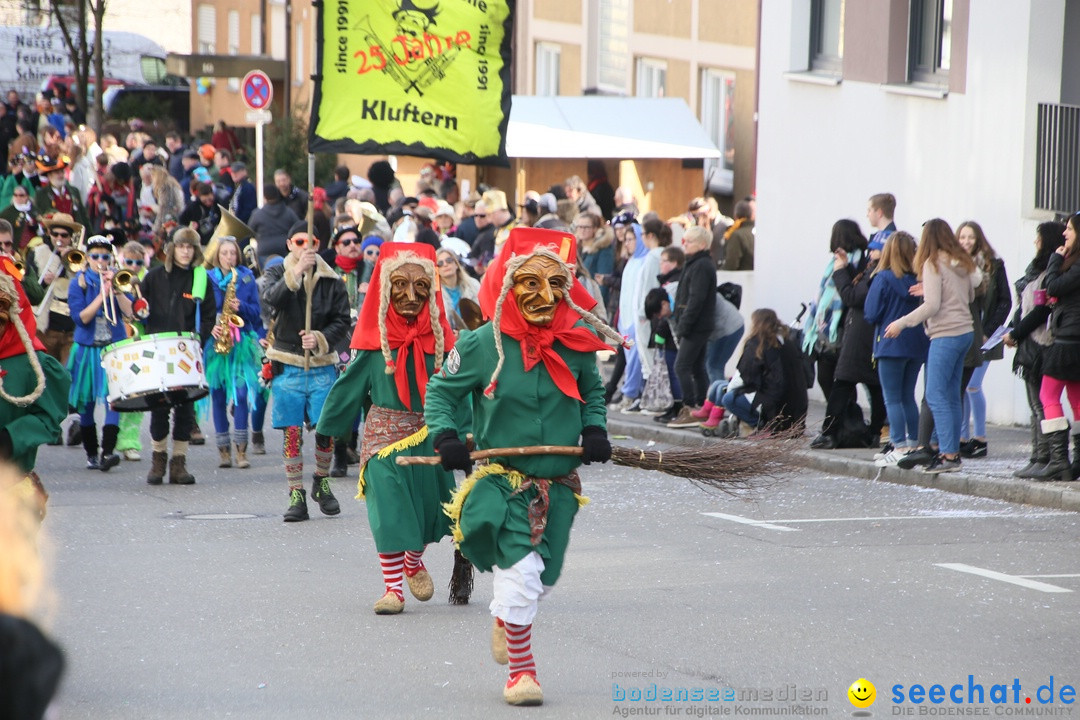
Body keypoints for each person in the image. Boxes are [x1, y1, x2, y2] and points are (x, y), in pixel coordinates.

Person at [424, 227, 625, 706]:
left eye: (556, 285)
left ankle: (506, 615)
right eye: (531, 284)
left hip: (559, 483)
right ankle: (521, 672)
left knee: (543, 576)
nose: (545, 296)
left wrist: (594, 429)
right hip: (503, 481)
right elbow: (441, 391)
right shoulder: (480, 345)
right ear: (511, 285)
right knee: (520, 567)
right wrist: (446, 436)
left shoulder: (575, 342)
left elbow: (592, 392)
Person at [316, 242, 461, 612]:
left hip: (431, 434)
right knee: (390, 512)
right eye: (400, 286)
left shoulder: (444, 344)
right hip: (383, 438)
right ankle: (393, 589)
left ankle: (413, 561)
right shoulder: (372, 345)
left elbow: (464, 389)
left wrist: (473, 430)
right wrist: (326, 430)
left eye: (420, 287)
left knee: (430, 513)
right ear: (385, 291)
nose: (411, 296)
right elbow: (347, 388)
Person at [261, 222, 350, 521]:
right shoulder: (276, 273)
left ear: (317, 242)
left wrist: (321, 339)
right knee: (292, 431)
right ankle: (296, 493)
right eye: (299, 242)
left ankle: (321, 481)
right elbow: (271, 300)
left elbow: (342, 321)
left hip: (322, 365)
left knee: (326, 427)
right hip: (287, 361)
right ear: (290, 244)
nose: (304, 247)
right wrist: (296, 273)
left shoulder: (333, 280)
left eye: (309, 241)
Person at [885, 219, 980, 474]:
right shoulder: (962, 262)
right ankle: (952, 453)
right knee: (951, 395)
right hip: (965, 333)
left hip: (945, 334)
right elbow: (971, 294)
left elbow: (932, 306)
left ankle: (948, 456)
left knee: (936, 395)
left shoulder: (933, 263)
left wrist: (901, 323)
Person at [139, 227, 217, 484]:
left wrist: (199, 338)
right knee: (159, 407)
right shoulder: (153, 277)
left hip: (186, 351)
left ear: (195, 251)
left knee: (185, 408)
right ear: (173, 248)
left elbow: (208, 316)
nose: (185, 251)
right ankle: (158, 459)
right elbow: (140, 310)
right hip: (157, 349)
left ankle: (179, 463)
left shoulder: (200, 278)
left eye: (190, 247)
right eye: (181, 246)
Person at [810, 220, 885, 449]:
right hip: (863, 334)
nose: (869, 253)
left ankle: (831, 433)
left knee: (842, 383)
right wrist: (846, 268)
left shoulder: (878, 273)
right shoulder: (873, 270)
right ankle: (871, 432)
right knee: (873, 385)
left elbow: (852, 296)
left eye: (874, 250)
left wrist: (841, 271)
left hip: (859, 335)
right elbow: (858, 287)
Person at [1003, 222, 1066, 478]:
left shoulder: (1050, 273)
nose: (1034, 242)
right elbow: (1023, 309)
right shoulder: (1035, 271)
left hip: (1042, 343)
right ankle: (1036, 456)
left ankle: (1047, 457)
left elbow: (1040, 312)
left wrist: (1016, 332)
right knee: (1035, 404)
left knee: (1041, 403)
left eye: (1038, 238)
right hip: (1028, 342)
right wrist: (1012, 328)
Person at [66, 234, 132, 470]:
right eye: (95, 256)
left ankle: (108, 452)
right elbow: (81, 318)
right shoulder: (78, 282)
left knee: (113, 400)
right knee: (86, 404)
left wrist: (116, 291)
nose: (100, 261)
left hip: (112, 349)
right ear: (88, 258)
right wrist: (101, 294)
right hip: (87, 349)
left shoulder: (116, 279)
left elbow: (131, 312)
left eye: (105, 256)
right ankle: (92, 453)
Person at [1022, 212, 1080, 482]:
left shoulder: (1075, 264)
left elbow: (1053, 284)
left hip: (1068, 339)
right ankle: (1075, 461)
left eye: (1069, 229)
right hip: (1071, 337)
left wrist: (1056, 259)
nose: (1065, 234)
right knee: (1076, 400)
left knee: (1047, 395)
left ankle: (1059, 461)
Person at [863, 231, 929, 466]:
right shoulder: (921, 280)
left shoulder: (882, 278)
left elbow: (871, 313)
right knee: (908, 396)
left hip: (890, 343)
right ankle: (913, 444)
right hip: (917, 343)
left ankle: (898, 445)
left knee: (892, 399)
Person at [203, 237, 263, 469]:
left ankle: (241, 450)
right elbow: (202, 311)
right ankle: (223, 451)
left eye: (232, 253)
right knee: (218, 396)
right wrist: (210, 326)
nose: (229, 257)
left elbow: (256, 313)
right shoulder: (208, 278)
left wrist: (242, 307)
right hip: (217, 342)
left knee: (241, 394)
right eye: (224, 253)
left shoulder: (246, 277)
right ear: (217, 255)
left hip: (242, 342)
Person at [956, 221, 1010, 458]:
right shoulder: (956, 265)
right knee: (962, 386)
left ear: (979, 239)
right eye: (962, 237)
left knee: (972, 385)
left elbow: (1005, 301)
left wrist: (987, 330)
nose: (966, 242)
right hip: (962, 334)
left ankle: (980, 438)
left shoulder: (994, 265)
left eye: (970, 237)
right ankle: (960, 437)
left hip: (985, 336)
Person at [727, 308, 809, 433]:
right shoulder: (788, 342)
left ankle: (762, 426)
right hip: (796, 402)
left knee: (728, 398)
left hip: (775, 401)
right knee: (721, 388)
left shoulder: (757, 344)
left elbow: (747, 376)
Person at [667, 225, 717, 427]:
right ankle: (703, 409)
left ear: (702, 245)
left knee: (682, 366)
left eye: (689, 241)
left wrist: (683, 326)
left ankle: (689, 408)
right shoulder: (695, 263)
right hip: (696, 324)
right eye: (684, 240)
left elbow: (696, 300)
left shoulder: (702, 265)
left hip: (696, 325)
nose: (684, 244)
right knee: (697, 368)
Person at [114, 241, 150, 462]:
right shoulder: (116, 277)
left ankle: (130, 442)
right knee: (118, 393)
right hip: (118, 341)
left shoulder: (147, 280)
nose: (134, 266)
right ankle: (111, 436)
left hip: (140, 340)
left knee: (138, 393)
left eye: (138, 262)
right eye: (129, 262)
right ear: (122, 260)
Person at [34, 212, 84, 367]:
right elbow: (30, 290)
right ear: (49, 234)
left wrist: (69, 261)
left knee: (66, 375)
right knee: (45, 374)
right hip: (46, 329)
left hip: (70, 330)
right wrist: (43, 283)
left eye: (64, 235)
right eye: (55, 234)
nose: (59, 239)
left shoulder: (80, 256)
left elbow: (84, 286)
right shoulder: (38, 253)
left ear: (71, 237)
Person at [33, 152, 89, 229]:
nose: (60, 175)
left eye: (62, 172)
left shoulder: (74, 191)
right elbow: (39, 216)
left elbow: (83, 216)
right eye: (57, 172)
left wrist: (89, 235)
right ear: (49, 176)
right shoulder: (41, 194)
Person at [249, 183, 300, 267]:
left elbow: (250, 230)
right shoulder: (289, 212)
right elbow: (298, 227)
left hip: (264, 249)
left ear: (265, 196)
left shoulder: (257, 214)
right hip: (285, 248)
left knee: (267, 276)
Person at [436, 247, 481, 332]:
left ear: (456, 264)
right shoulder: (434, 294)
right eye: (440, 263)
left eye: (449, 260)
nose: (445, 265)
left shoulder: (473, 285)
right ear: (436, 269)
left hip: (476, 333)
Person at [575, 212, 613, 306]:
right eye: (580, 227)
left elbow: (603, 281)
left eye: (586, 227)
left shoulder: (603, 249)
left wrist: (596, 306)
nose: (582, 230)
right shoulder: (577, 248)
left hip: (593, 302)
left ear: (595, 229)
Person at [178, 182, 222, 246]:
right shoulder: (193, 206)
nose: (208, 203)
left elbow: (220, 217)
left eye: (210, 200)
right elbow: (182, 220)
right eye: (205, 201)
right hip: (199, 241)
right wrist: (189, 228)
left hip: (214, 237)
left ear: (213, 195)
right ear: (199, 197)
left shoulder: (216, 202)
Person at [722, 199, 754, 271]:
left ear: (735, 215)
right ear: (752, 215)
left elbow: (731, 265)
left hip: (744, 279)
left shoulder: (737, 235)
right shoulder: (761, 232)